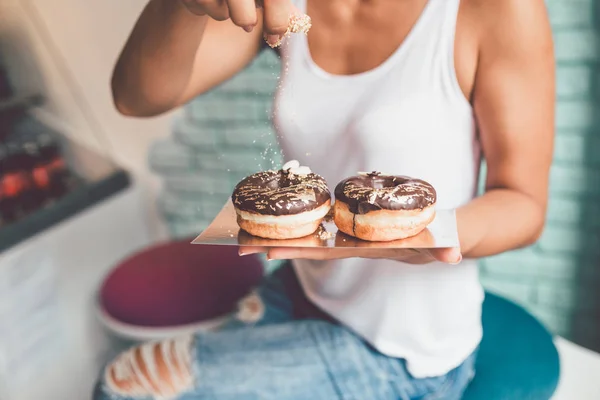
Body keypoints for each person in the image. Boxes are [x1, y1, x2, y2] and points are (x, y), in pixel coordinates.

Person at [94, 0, 554, 398]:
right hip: (301, 288)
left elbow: (523, 204)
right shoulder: (288, 7)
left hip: (401, 349)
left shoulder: (495, 9)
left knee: (122, 387)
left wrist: (426, 235)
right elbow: (137, 97)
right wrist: (184, 4)